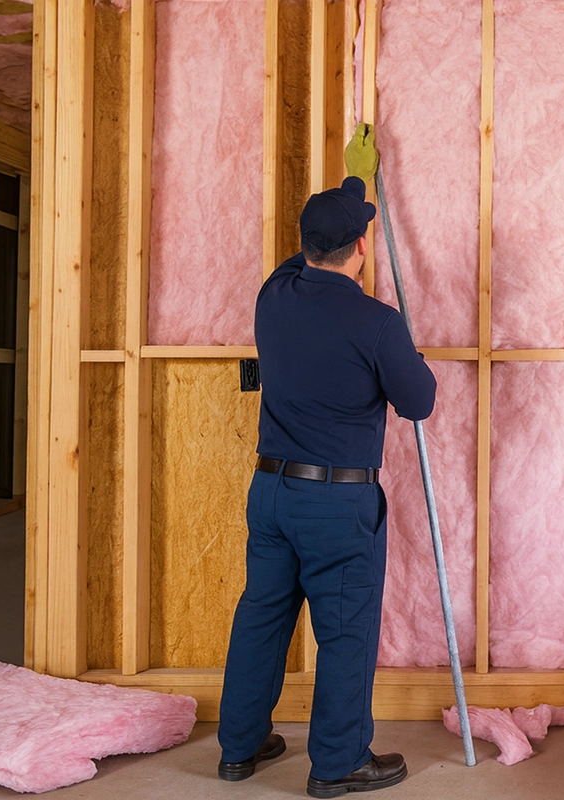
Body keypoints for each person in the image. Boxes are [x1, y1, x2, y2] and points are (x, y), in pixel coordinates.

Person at [217, 129, 436, 798]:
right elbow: (419, 402)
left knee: (263, 614)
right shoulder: (378, 322)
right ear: (364, 249)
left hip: (272, 494)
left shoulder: (274, 295)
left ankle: (240, 747)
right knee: (343, 631)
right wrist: (409, 355)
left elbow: (309, 254)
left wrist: (348, 191)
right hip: (338, 507)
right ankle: (338, 762)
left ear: (309, 249)